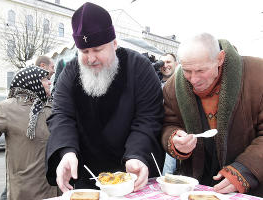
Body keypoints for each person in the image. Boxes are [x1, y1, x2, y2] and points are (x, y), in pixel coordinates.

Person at [46, 2, 164, 193]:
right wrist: (66, 151)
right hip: (85, 174)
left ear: (114, 44)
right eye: (84, 51)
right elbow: (61, 115)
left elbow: (148, 118)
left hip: (132, 175)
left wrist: (136, 154)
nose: (91, 58)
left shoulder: (140, 68)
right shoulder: (70, 72)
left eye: (97, 49)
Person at [161, 33, 263, 197]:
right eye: (187, 71)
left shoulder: (258, 75)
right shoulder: (172, 86)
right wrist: (174, 140)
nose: (194, 79)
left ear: (220, 58)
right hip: (196, 185)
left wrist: (244, 171)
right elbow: (168, 124)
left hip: (251, 185)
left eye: (201, 70)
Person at [0, 66, 60, 199]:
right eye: (45, 79)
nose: (50, 82)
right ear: (31, 81)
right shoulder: (10, 107)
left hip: (56, 187)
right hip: (27, 189)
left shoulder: (54, 106)